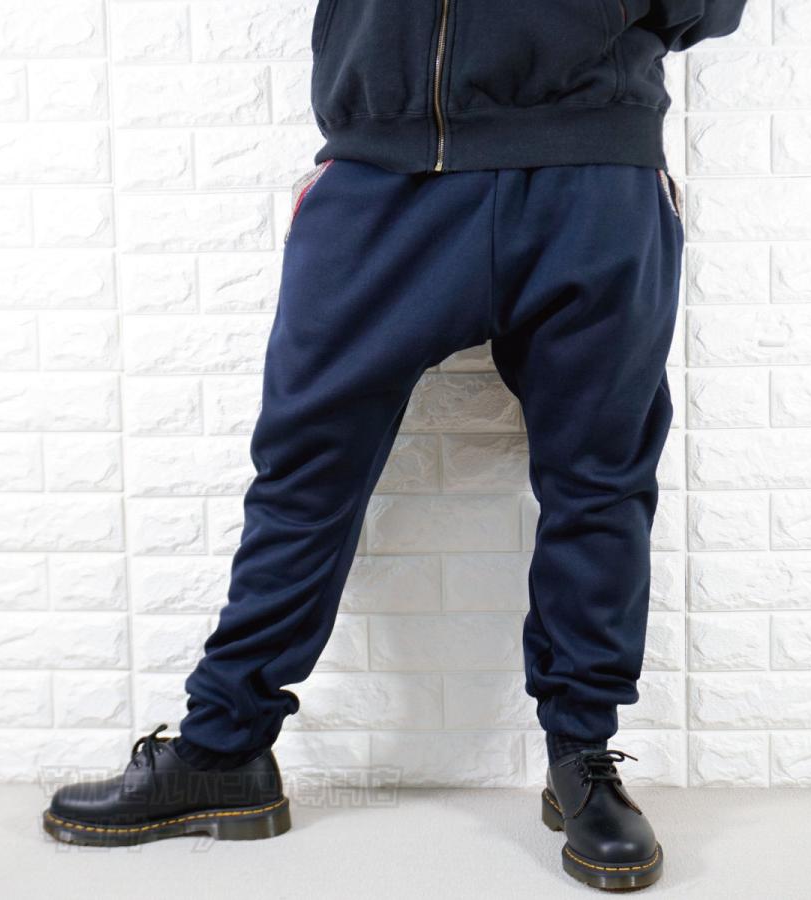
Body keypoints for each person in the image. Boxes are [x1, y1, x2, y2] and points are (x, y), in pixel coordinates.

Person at [43, 0, 746, 889]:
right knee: (306, 475)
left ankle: (582, 754)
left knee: (600, 482)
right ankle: (223, 750)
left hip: (592, 171)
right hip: (383, 172)